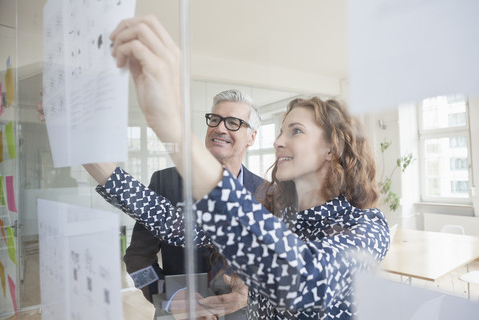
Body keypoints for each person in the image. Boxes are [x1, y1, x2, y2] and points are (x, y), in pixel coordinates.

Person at [83, 15, 390, 319]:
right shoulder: (275, 209)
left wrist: (172, 124)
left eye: (295, 131)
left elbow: (307, 282)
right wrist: (82, 147)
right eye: (281, 131)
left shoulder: (368, 227)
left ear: (331, 149)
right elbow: (169, 222)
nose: (279, 141)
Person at [124, 89, 265, 319]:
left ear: (252, 137)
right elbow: (136, 259)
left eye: (233, 122)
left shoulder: (267, 193)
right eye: (215, 119)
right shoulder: (164, 181)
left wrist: (250, 295)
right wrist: (168, 295)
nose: (220, 128)